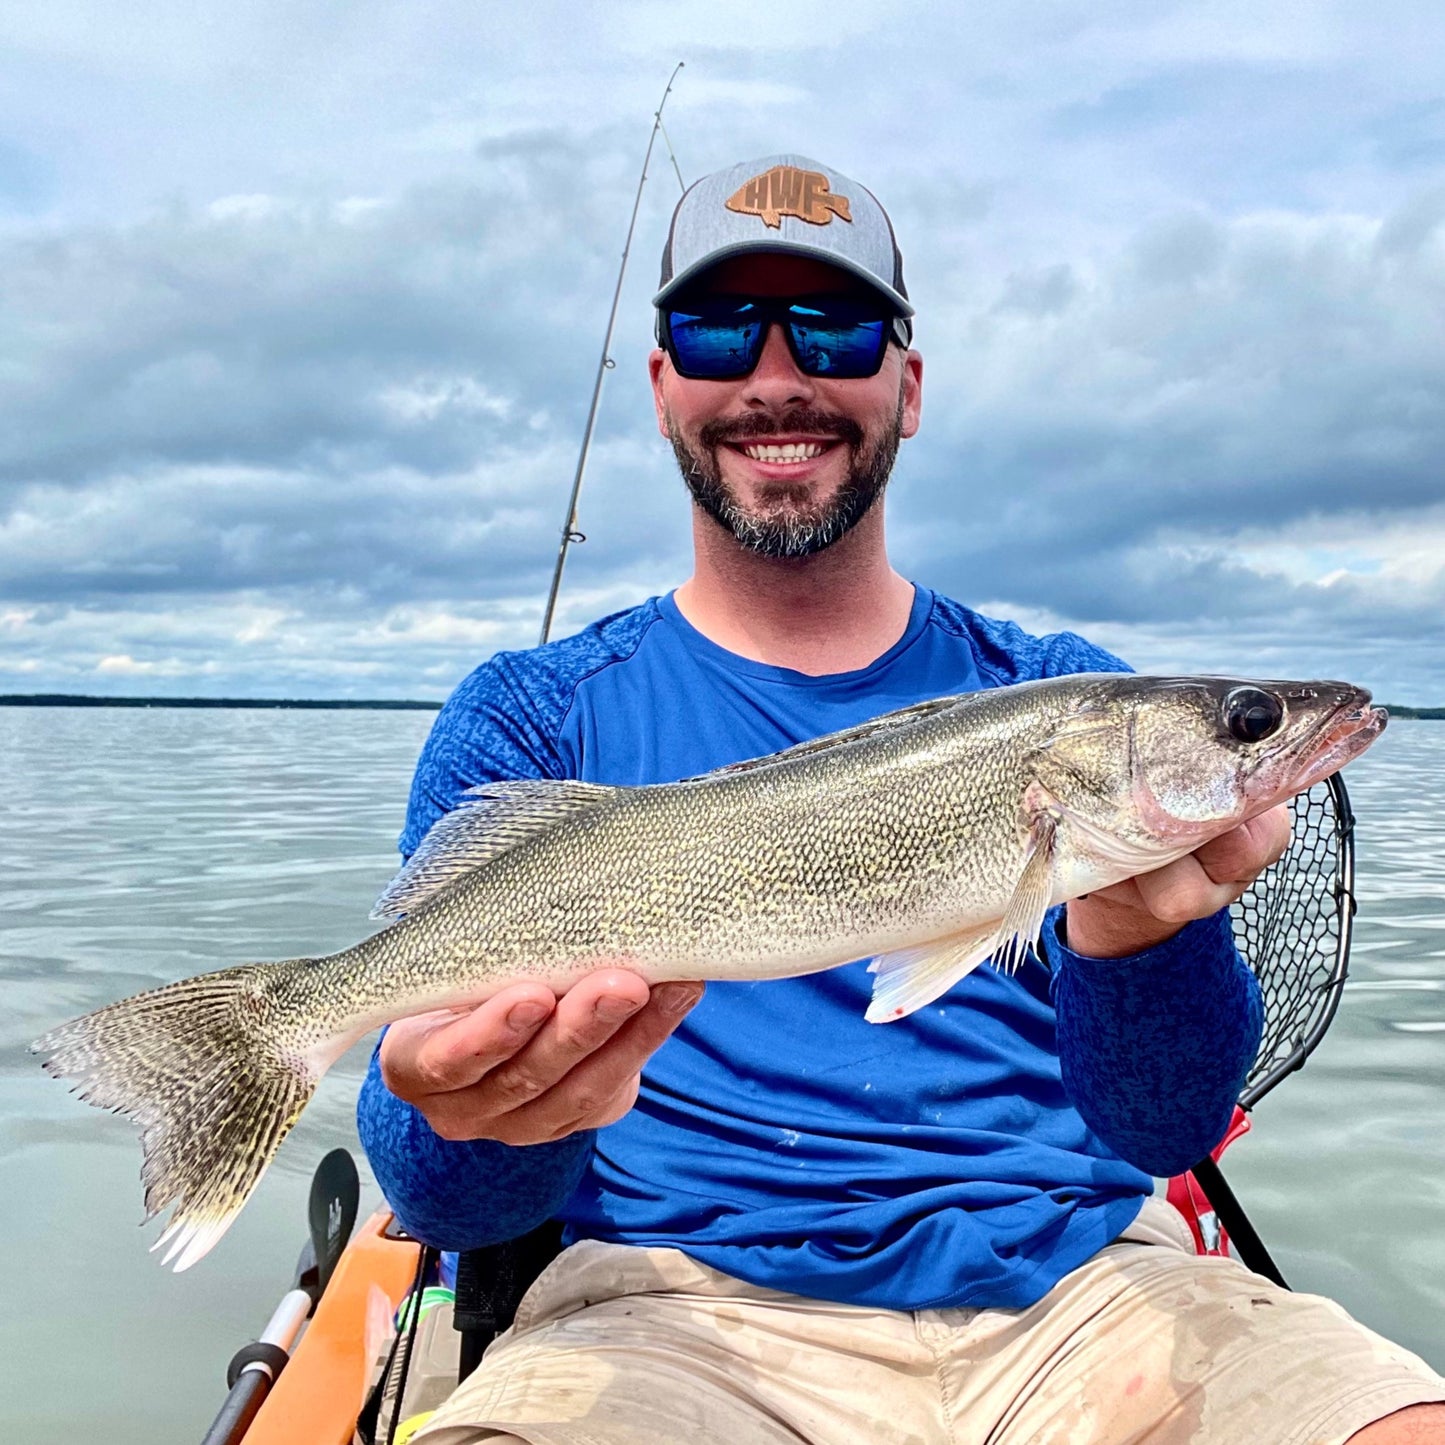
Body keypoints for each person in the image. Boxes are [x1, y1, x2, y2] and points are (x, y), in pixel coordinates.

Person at [358, 156, 1445, 1444]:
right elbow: (450, 1205)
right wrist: (460, 1103)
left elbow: (1165, 1129)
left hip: (1083, 1287)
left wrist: (1147, 938)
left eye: (835, 328)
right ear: (660, 386)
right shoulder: (533, 715)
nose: (778, 374)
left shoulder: (1060, 690)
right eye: (718, 331)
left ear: (907, 385)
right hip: (668, 1319)